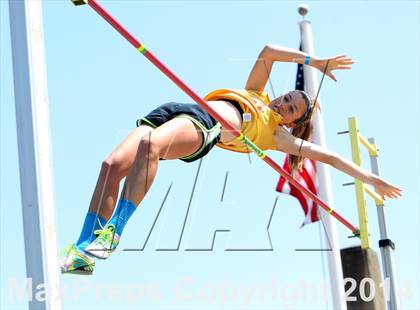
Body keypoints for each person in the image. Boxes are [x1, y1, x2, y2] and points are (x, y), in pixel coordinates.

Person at [61, 44, 402, 274]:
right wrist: (316, 63)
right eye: (287, 96)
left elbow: (328, 157)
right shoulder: (256, 92)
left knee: (150, 148)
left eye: (291, 107)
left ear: (292, 122)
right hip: (179, 108)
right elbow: (268, 51)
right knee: (110, 166)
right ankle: (82, 253)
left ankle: (114, 232)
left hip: (205, 126)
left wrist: (370, 180)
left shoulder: (276, 136)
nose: (283, 102)